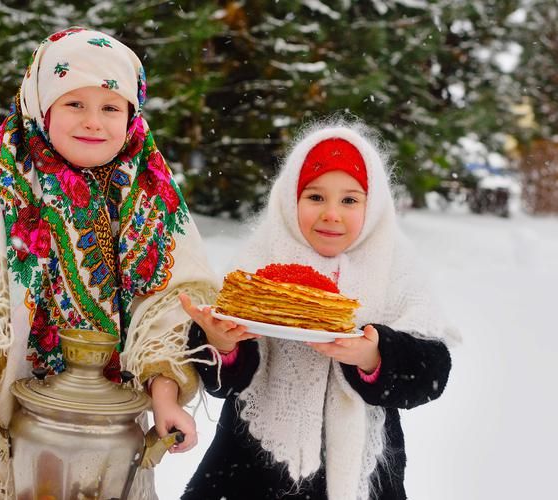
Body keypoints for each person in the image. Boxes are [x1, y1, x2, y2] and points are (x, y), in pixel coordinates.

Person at [0, 27, 217, 500]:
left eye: (111, 107)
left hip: (105, 435)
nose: (93, 121)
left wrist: (167, 396)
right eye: (74, 103)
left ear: (132, 115)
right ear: (42, 104)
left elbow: (172, 304)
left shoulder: (149, 188)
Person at [180, 120, 459, 499]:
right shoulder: (258, 263)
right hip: (251, 471)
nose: (331, 213)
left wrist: (373, 355)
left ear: (373, 204)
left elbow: (431, 373)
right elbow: (223, 382)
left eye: (349, 200)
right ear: (290, 198)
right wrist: (220, 343)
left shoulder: (396, 269)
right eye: (315, 197)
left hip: (366, 474)